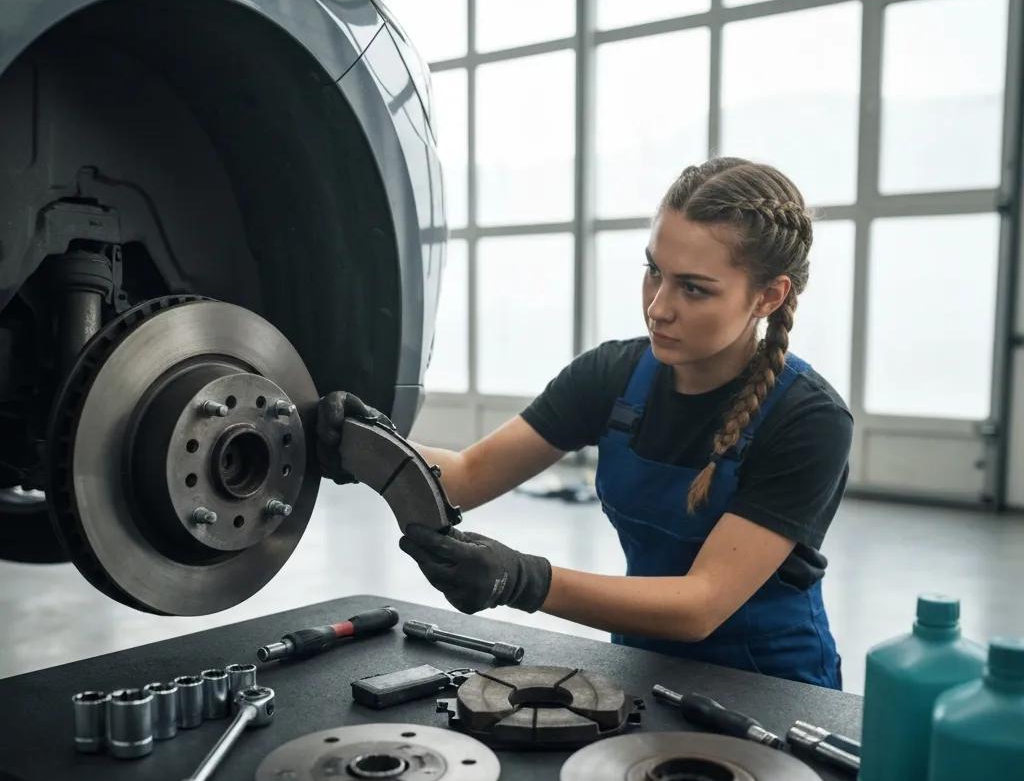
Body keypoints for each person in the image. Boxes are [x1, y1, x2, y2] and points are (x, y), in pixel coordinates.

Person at [318, 158, 853, 689]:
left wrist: (525, 580)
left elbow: (700, 604)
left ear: (768, 296)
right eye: (654, 272)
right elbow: (466, 475)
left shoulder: (808, 419)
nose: (658, 308)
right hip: (645, 671)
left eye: (694, 288)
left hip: (774, 690)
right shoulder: (612, 376)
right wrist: (362, 441)